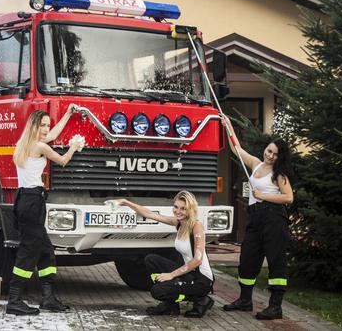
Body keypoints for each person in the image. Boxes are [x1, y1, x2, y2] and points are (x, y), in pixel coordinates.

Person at [6, 105, 84, 316]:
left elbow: (54, 134)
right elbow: (63, 161)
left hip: (24, 199)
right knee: (28, 251)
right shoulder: (40, 147)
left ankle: (48, 297)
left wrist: (68, 114)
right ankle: (14, 300)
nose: (46, 129)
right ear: (34, 125)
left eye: (47, 125)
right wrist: (74, 146)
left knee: (46, 251)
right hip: (32, 201)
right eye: (42, 125)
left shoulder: (23, 144)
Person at [221, 116, 294, 320]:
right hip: (255, 219)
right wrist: (228, 126)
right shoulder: (256, 164)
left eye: (275, 154)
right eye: (269, 151)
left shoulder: (279, 174)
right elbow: (236, 149)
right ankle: (245, 300)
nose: (270, 156)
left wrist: (263, 196)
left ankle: (275, 306)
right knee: (247, 259)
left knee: (275, 260)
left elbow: (289, 197)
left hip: (273, 219)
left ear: (280, 157)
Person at [117, 191, 215, 318]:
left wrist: (171, 275)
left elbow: (197, 260)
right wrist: (125, 201)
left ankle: (200, 300)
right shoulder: (179, 223)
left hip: (201, 279)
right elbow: (148, 214)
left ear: (190, 209)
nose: (178, 211)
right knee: (151, 259)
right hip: (189, 274)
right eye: (176, 207)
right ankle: (171, 307)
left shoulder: (196, 226)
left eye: (183, 208)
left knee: (158, 291)